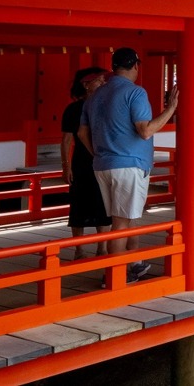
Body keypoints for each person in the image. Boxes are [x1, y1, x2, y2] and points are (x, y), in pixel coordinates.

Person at [78, 47, 178, 284]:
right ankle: (115, 275)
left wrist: (99, 152)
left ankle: (133, 264)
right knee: (121, 223)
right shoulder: (135, 93)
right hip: (129, 164)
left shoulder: (94, 97)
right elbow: (145, 131)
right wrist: (171, 109)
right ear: (135, 66)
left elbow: (82, 133)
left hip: (103, 164)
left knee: (126, 216)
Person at [61, 67, 112, 260]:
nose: (103, 83)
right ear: (86, 84)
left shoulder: (105, 105)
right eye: (98, 80)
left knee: (103, 203)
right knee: (79, 205)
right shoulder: (73, 109)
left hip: (103, 160)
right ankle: (79, 249)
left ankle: (102, 247)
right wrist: (66, 166)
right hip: (82, 163)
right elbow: (66, 140)